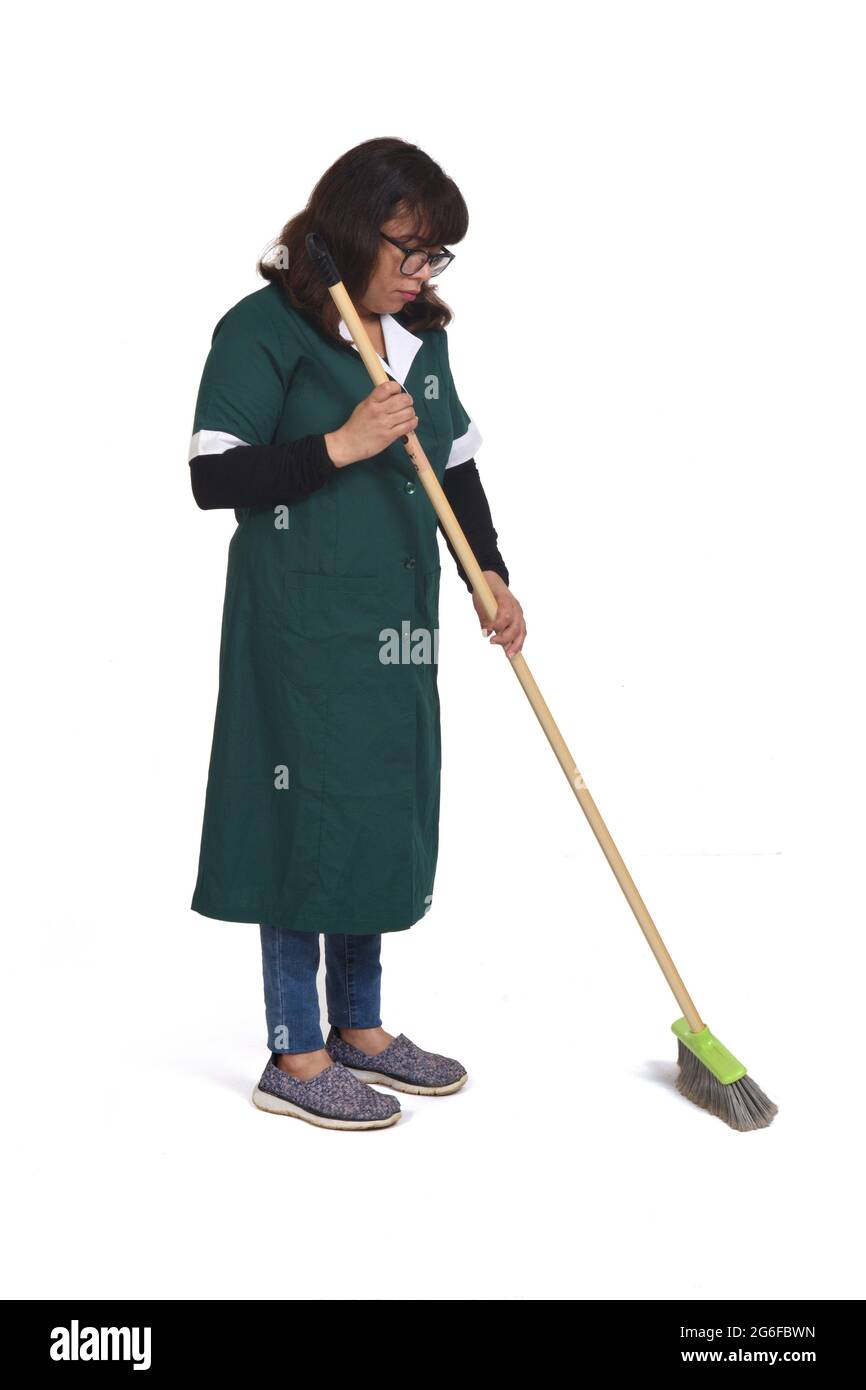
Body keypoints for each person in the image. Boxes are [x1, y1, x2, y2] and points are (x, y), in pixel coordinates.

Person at [188, 137, 526, 1131]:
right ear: (349, 228)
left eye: (434, 257)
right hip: (295, 621)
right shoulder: (264, 330)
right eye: (408, 248)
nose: (420, 272)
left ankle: (360, 1029)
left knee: (379, 802)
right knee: (301, 813)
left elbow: (453, 468)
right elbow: (215, 477)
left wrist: (488, 571)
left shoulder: (419, 339)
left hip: (394, 621)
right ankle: (293, 1053)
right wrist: (341, 444)